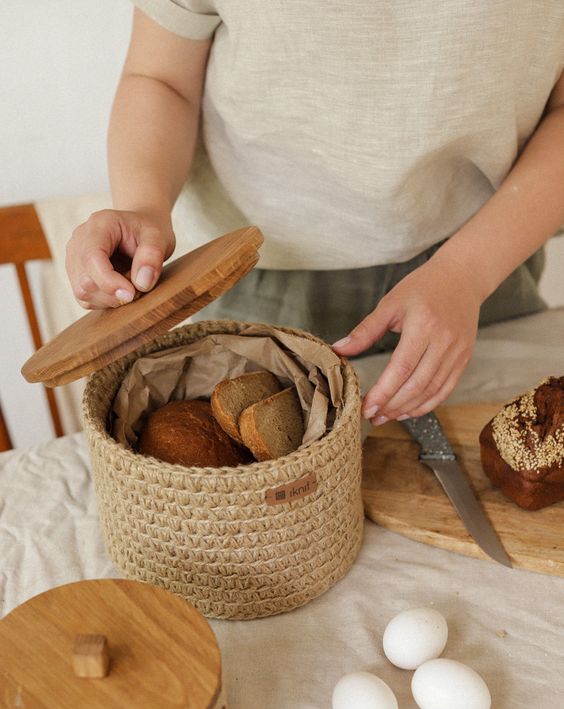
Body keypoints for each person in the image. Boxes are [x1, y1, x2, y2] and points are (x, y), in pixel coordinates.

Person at [66, 3, 564, 425]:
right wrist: (141, 205)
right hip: (252, 274)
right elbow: (161, 76)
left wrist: (468, 271)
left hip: (484, 263)